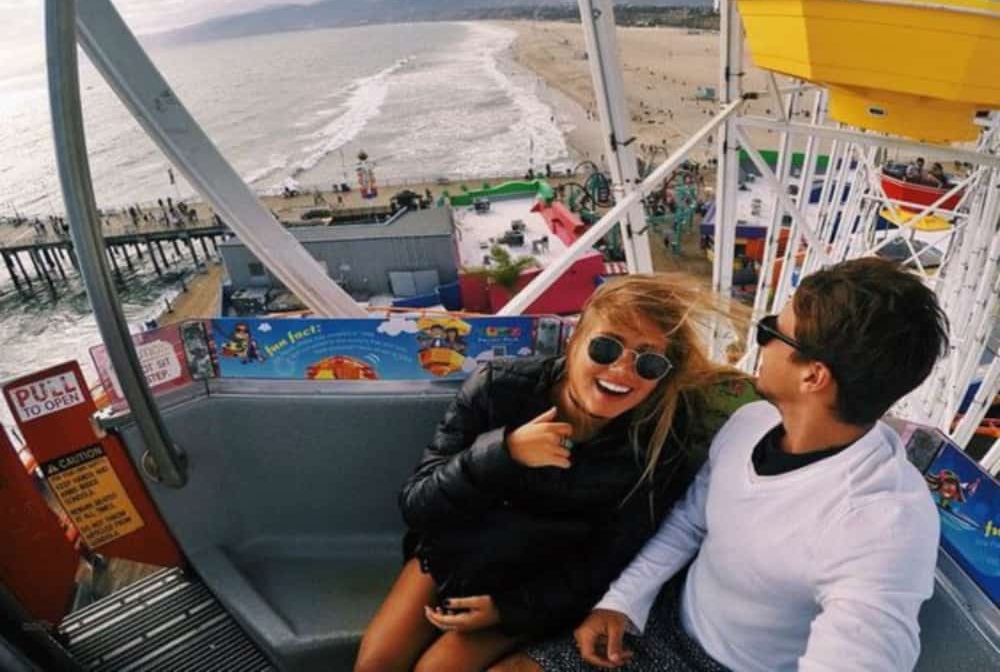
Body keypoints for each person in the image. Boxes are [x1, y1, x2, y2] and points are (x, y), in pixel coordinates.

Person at [354, 275, 756, 672]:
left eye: (648, 362)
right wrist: (503, 453)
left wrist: (507, 609)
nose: (621, 370)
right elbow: (418, 504)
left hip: (537, 582)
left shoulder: (659, 443)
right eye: (605, 347)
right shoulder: (499, 388)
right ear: (574, 340)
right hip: (457, 555)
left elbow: (606, 560)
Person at [565, 257, 948, 672]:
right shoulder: (751, 422)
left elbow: (866, 648)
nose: (759, 342)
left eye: (770, 331)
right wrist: (623, 601)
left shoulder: (883, 521)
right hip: (666, 616)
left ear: (813, 376)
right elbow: (691, 522)